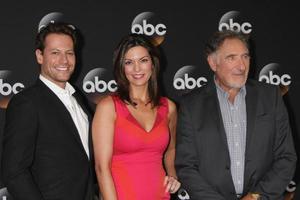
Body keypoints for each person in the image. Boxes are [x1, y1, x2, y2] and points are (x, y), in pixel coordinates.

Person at [175, 30, 297, 200]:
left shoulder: (271, 96)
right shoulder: (191, 105)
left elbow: (286, 157)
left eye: (245, 57)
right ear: (212, 62)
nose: (241, 66)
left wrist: (256, 196)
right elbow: (186, 166)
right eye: (231, 58)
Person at [1, 22, 95, 200]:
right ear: (39, 56)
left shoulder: (79, 99)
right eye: (55, 53)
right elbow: (14, 172)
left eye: (69, 53)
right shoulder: (27, 103)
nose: (64, 61)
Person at [92, 33, 181, 200]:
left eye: (143, 60)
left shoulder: (168, 107)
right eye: (129, 62)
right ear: (121, 67)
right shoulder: (109, 107)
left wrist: (173, 176)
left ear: (153, 64)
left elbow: (171, 149)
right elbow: (101, 167)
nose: (137, 69)